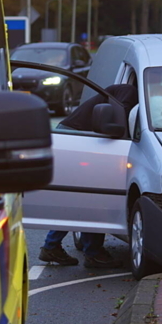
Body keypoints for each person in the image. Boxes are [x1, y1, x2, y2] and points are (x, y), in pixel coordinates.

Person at [38, 83, 139, 269]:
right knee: (93, 198)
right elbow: (121, 117)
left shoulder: (122, 90)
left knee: (83, 197)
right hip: (77, 138)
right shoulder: (129, 90)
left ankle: (55, 246)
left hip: (76, 136)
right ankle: (92, 253)